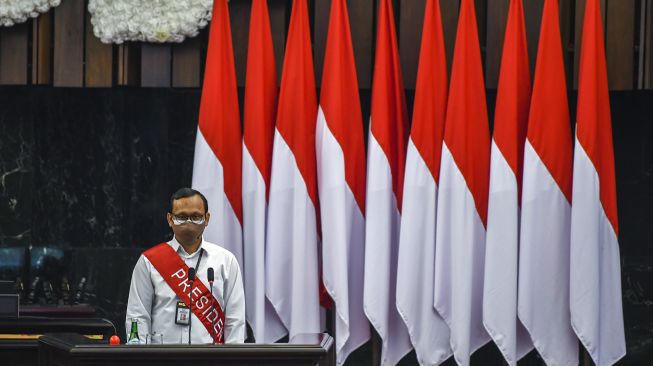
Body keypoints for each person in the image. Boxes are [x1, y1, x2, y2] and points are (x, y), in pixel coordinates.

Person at [125, 187, 245, 344]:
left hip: (212, 360)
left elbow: (235, 320)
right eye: (181, 217)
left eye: (196, 217)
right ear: (170, 219)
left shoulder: (225, 261)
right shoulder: (149, 261)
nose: (189, 223)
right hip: (162, 360)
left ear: (207, 218)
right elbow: (138, 315)